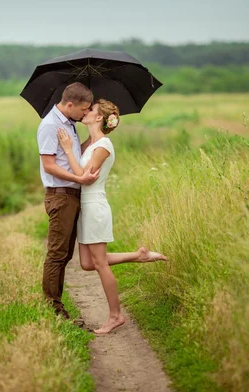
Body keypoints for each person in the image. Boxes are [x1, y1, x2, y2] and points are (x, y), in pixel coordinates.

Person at [57, 98, 167, 334]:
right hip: (85, 208)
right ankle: (139, 256)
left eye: (91, 109)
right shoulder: (89, 143)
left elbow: (84, 176)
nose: (85, 111)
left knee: (99, 263)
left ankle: (115, 316)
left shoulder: (104, 146)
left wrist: (67, 150)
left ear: (99, 118)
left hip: (95, 206)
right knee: (87, 263)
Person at [37, 82, 98, 320]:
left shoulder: (69, 124)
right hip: (60, 195)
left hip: (71, 194)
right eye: (83, 109)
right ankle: (52, 308)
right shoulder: (50, 125)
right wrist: (78, 178)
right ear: (70, 104)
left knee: (65, 254)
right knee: (57, 254)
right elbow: (49, 165)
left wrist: (95, 137)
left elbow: (71, 155)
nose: (85, 113)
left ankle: (56, 305)